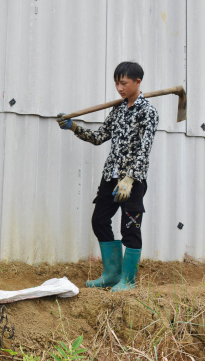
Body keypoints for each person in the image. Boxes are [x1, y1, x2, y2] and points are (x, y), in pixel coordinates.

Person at [56, 62, 158, 292]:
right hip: (110, 177)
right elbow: (100, 136)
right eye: (117, 83)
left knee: (130, 227)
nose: (119, 87)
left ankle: (128, 281)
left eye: (124, 83)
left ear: (137, 82)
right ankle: (112, 275)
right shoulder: (118, 109)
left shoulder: (148, 112)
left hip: (132, 180)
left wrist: (130, 178)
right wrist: (73, 127)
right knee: (100, 220)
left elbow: (145, 148)